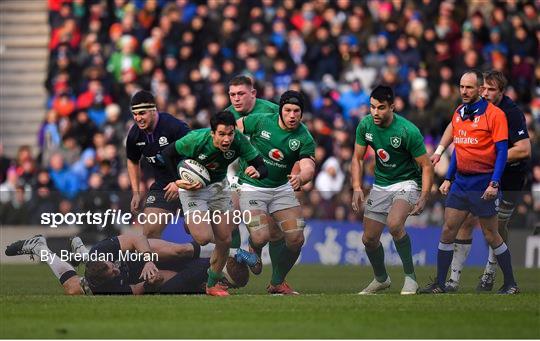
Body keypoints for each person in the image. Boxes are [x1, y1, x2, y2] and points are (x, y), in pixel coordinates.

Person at [419, 70, 519, 294]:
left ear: (479, 90)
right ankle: (441, 284)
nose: (464, 91)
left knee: (491, 235)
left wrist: (494, 183)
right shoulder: (458, 113)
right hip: (461, 183)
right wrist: (448, 178)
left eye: (469, 87)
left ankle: (511, 283)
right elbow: (459, 149)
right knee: (447, 230)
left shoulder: (495, 115)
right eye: (462, 87)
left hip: (483, 182)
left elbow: (502, 152)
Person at [162, 110, 267, 296]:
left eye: (230, 133)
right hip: (193, 190)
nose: (227, 139)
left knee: (224, 239)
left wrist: (258, 171)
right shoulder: (196, 140)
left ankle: (211, 284)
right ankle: (234, 251)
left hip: (219, 188)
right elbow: (167, 153)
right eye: (221, 134)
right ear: (212, 133)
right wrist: (175, 180)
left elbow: (261, 165)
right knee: (202, 238)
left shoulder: (239, 141)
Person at [351, 85, 433, 295]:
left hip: (407, 183)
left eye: (381, 108)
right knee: (368, 239)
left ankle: (411, 279)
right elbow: (357, 158)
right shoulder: (365, 125)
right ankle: (381, 279)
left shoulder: (408, 131)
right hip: (381, 185)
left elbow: (426, 165)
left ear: (392, 107)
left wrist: (424, 196)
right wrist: (357, 187)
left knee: (395, 224)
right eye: (372, 107)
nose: (375, 112)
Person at [236, 90, 316, 295]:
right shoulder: (261, 121)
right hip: (251, 187)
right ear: (280, 110)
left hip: (281, 190)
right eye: (287, 110)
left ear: (302, 113)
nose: (292, 115)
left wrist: (301, 178)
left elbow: (308, 166)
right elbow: (232, 132)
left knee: (296, 238)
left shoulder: (303, 136)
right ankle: (252, 251)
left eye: (296, 111)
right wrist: (246, 158)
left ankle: (277, 282)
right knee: (261, 236)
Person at [5, 234, 248, 295]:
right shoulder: (108, 288)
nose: (116, 267)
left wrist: (148, 261)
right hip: (136, 275)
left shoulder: (105, 251)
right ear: (111, 280)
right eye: (114, 271)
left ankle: (233, 251)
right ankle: (41, 248)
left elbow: (136, 238)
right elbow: (139, 290)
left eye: (113, 265)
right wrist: (150, 282)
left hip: (143, 253)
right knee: (72, 290)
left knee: (179, 250)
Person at [225, 75, 280, 258]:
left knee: (275, 233)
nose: (236, 99)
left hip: (273, 178)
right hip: (240, 176)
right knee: (228, 218)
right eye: (232, 94)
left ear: (253, 93)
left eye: (241, 93)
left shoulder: (274, 112)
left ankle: (276, 280)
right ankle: (234, 260)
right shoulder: (226, 116)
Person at [126, 90, 190, 238]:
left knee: (197, 232)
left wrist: (180, 183)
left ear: (154, 110)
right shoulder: (135, 134)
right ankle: (157, 261)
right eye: (135, 114)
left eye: (142, 113)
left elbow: (195, 157)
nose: (138, 118)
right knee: (149, 232)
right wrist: (136, 192)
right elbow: (132, 160)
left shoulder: (174, 127)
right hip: (163, 185)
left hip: (189, 183)